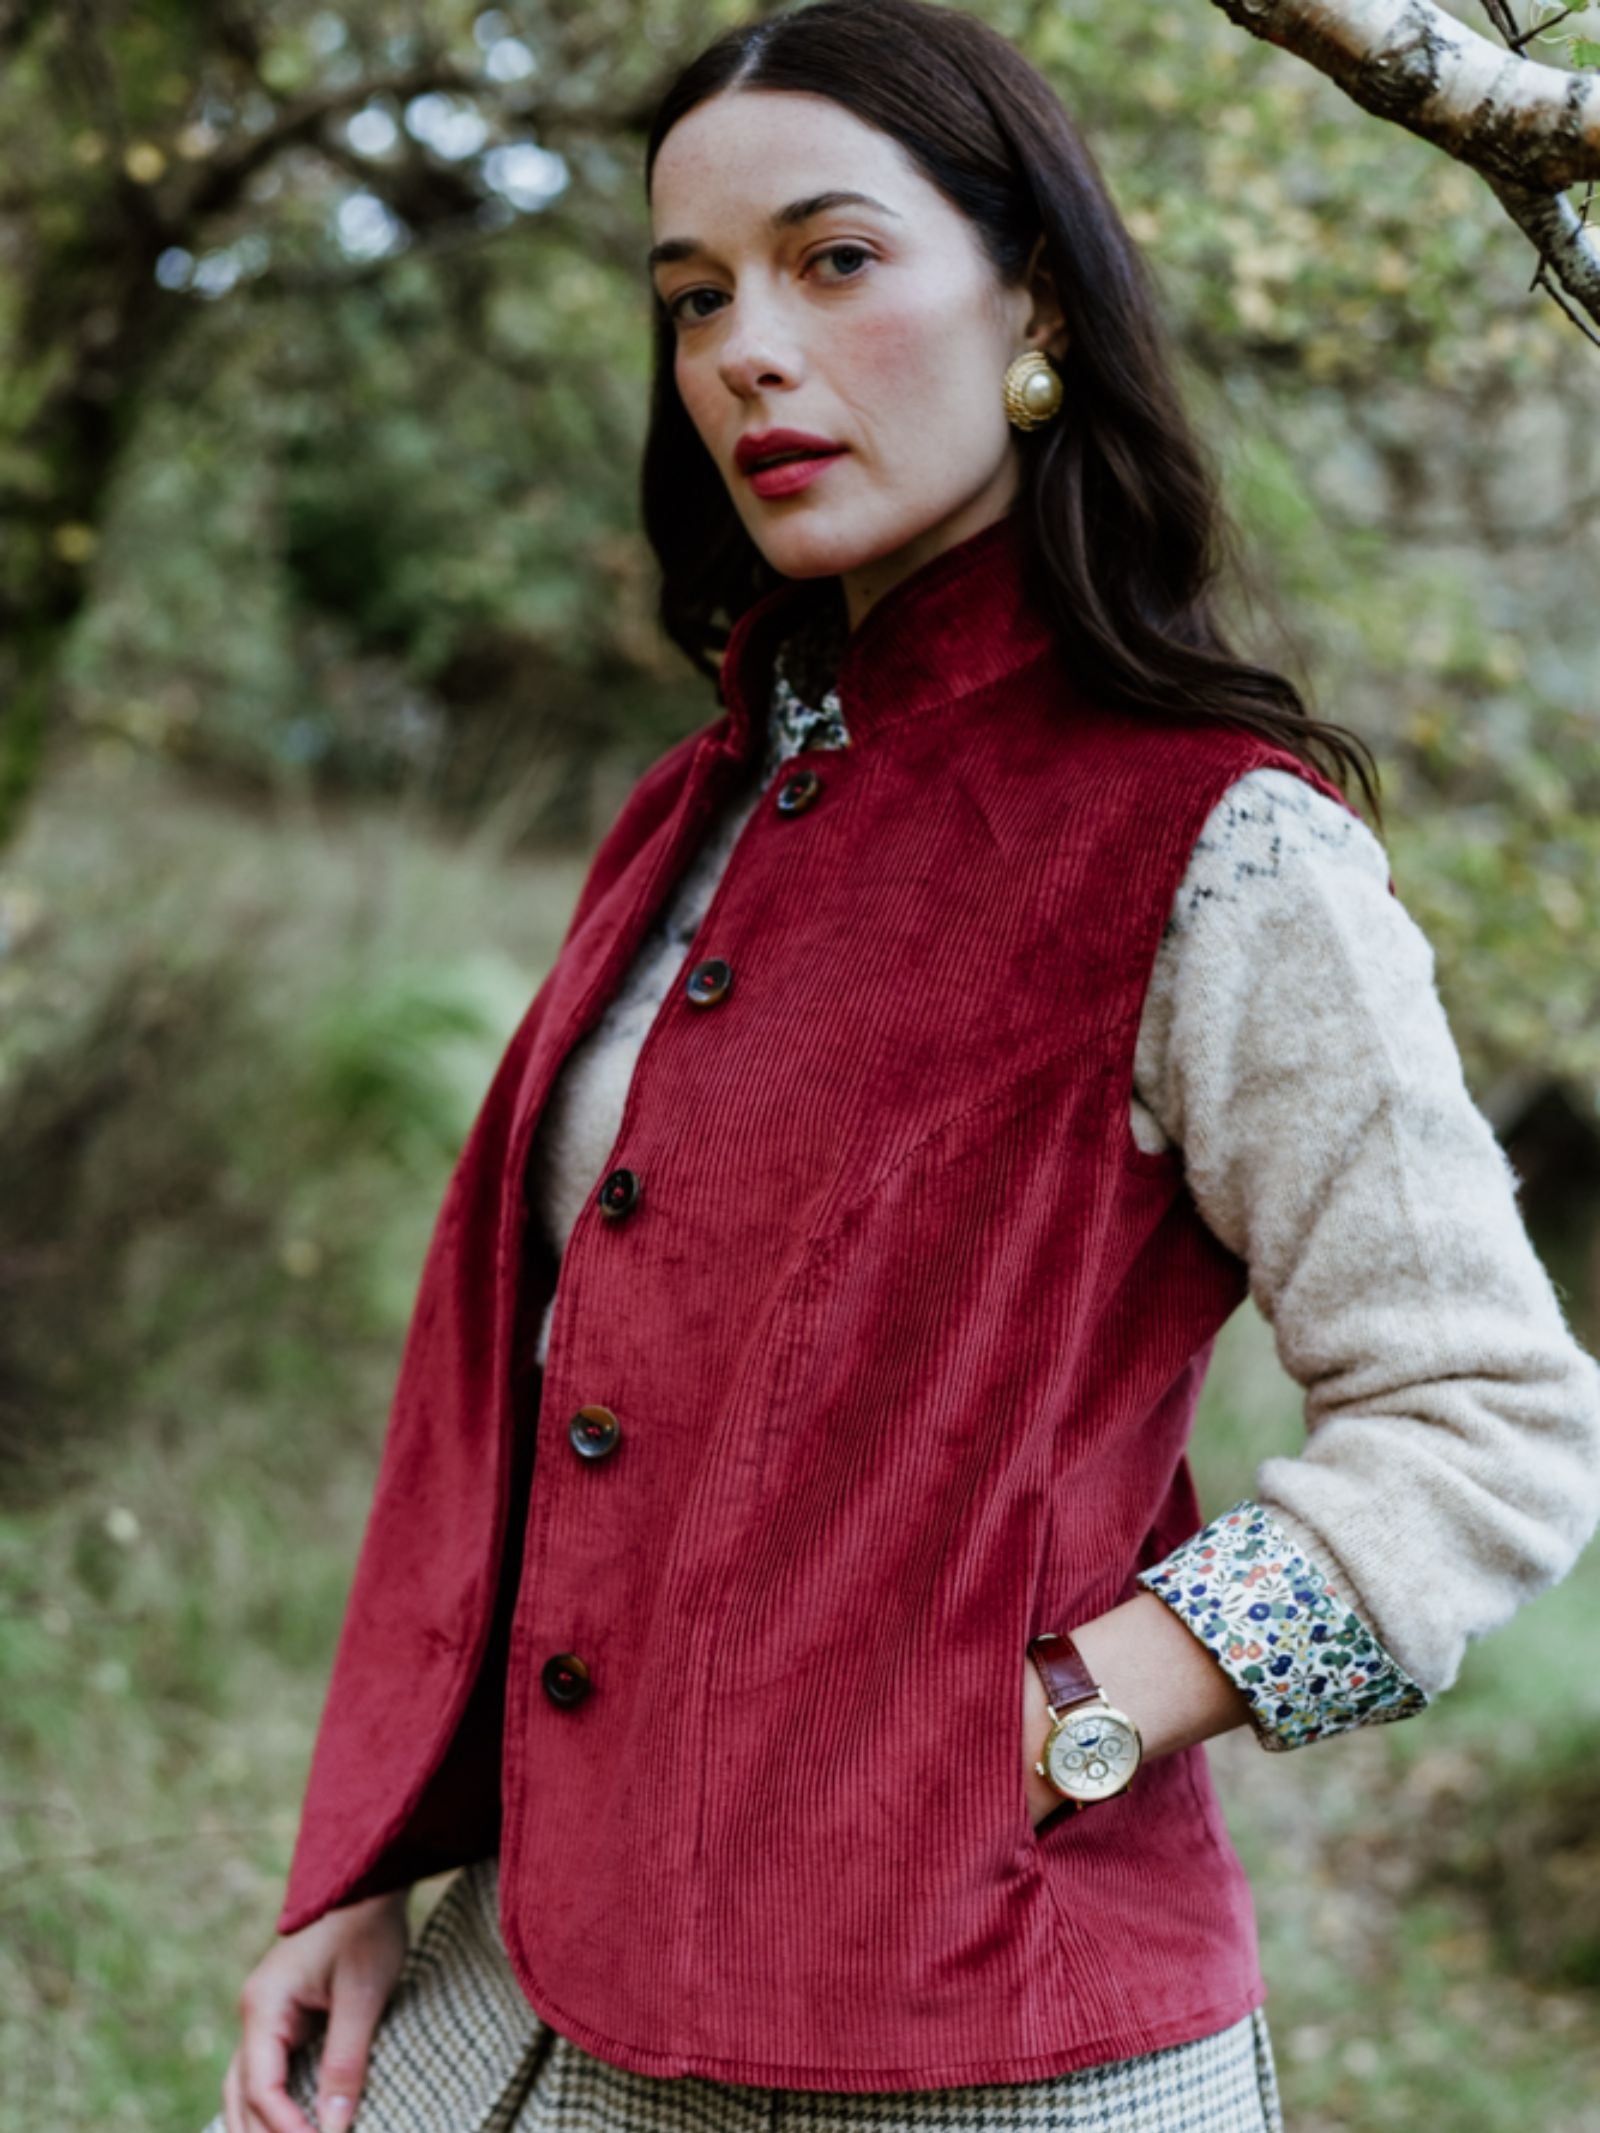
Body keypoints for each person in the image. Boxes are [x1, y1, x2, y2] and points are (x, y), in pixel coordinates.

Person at [211, 3, 1600, 2129]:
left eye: (830, 260)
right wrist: (377, 1859)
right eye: (692, 298)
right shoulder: (686, 812)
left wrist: (1068, 1717)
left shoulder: (1216, 845)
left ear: (1030, 301)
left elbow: (1490, 1418)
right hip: (526, 1963)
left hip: (978, 2034)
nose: (746, 348)